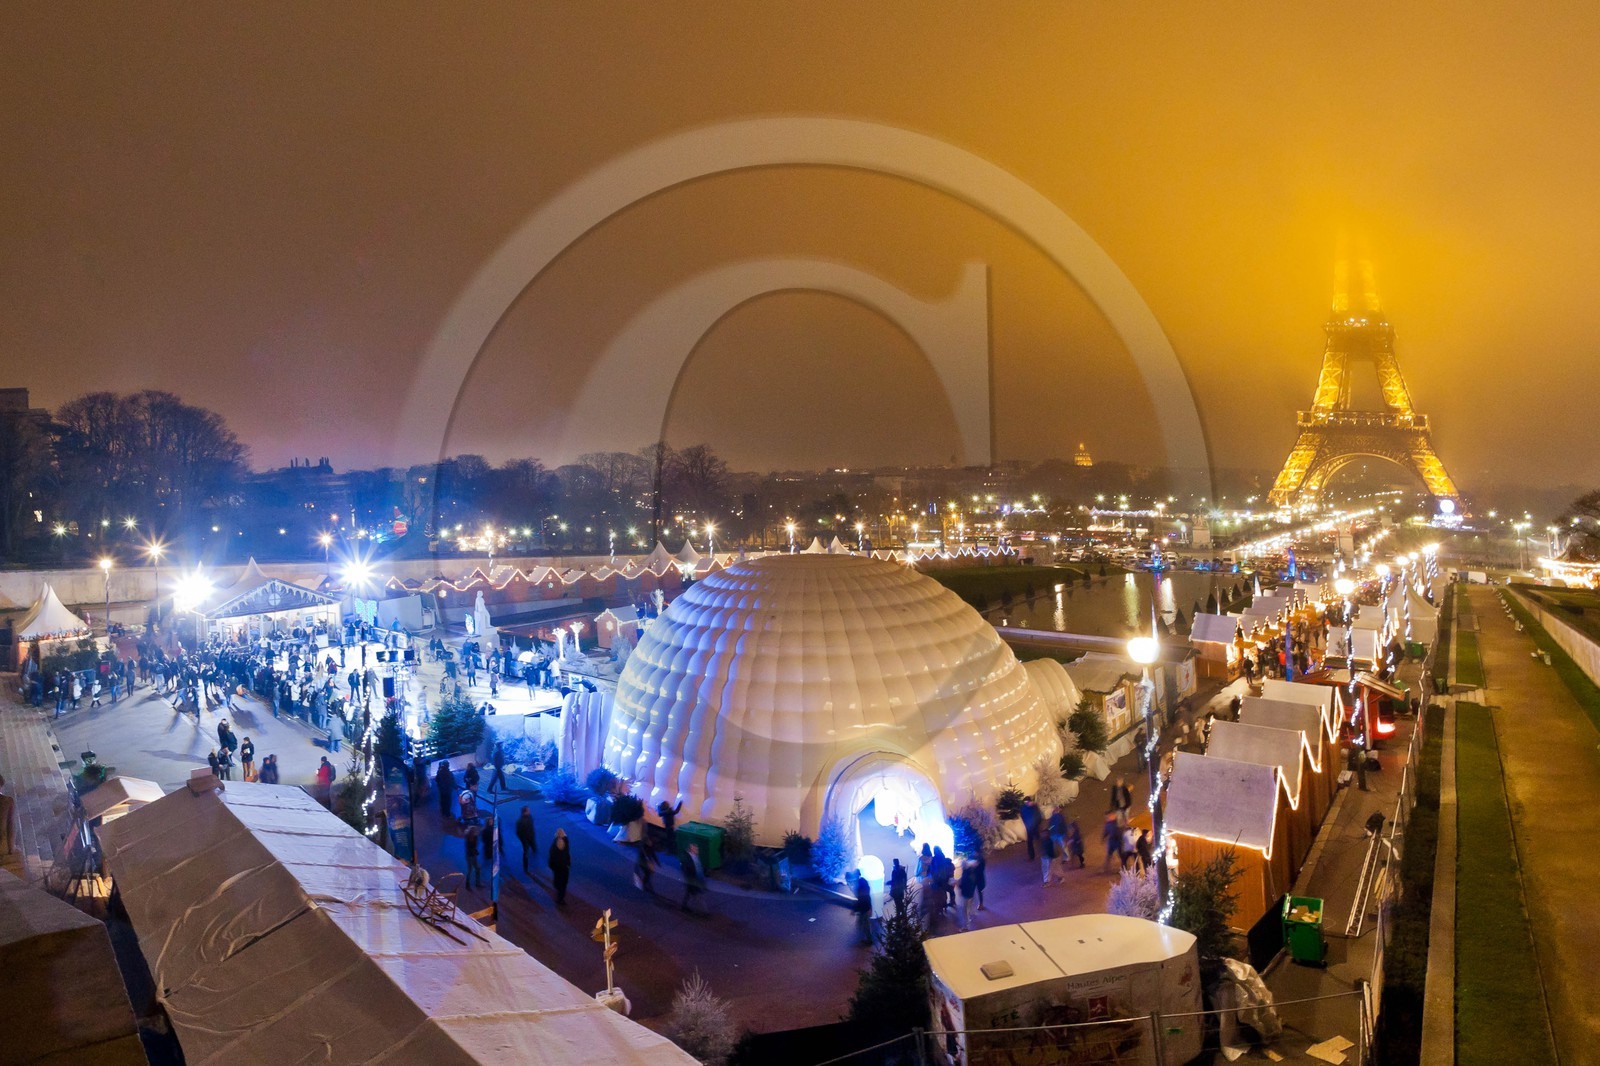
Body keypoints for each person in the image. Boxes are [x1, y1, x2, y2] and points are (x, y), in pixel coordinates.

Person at [680, 841, 706, 914]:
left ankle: (684, 906)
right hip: (693, 881)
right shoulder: (687, 858)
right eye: (696, 848)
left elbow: (699, 868)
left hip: (697, 880)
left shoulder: (696, 856)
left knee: (690, 894)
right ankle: (702, 911)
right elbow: (686, 870)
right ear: (691, 848)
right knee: (697, 896)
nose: (698, 850)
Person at [548, 828, 571, 905]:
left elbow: (551, 858)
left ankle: (559, 894)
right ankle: (560, 898)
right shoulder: (565, 843)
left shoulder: (554, 847)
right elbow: (567, 855)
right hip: (563, 868)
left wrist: (552, 866)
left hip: (558, 868)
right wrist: (568, 865)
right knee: (563, 884)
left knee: (559, 882)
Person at [515, 805, 538, 875]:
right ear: (525, 812)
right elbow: (518, 833)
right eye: (528, 810)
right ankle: (525, 868)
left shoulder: (529, 817)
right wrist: (524, 841)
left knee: (534, 847)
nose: (530, 811)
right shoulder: (520, 821)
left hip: (531, 837)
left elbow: (531, 827)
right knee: (526, 853)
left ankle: (534, 853)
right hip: (525, 840)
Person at [854, 871, 874, 945]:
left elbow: (861, 898)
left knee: (864, 924)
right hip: (865, 907)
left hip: (864, 908)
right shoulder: (863, 882)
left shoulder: (861, 884)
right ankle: (867, 939)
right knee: (863, 924)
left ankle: (869, 940)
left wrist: (855, 908)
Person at [1019, 796, 1041, 860]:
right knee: (1030, 842)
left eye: (1027, 802)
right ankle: (1032, 856)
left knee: (1038, 840)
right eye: (1025, 802)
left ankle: (1043, 852)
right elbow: (1023, 816)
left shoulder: (1033, 807)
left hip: (1034, 827)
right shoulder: (1024, 808)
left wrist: (1037, 823)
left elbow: (1038, 816)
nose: (1027, 803)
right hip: (1030, 828)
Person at [464, 823, 482, 889]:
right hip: (470, 856)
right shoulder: (469, 838)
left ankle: (477, 883)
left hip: (473, 855)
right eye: (475, 831)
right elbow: (470, 847)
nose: (477, 831)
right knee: (470, 869)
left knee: (477, 869)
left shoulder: (475, 837)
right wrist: (475, 851)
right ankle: (467, 884)